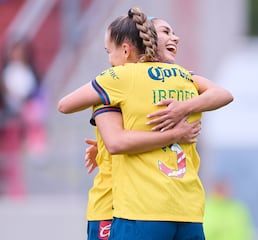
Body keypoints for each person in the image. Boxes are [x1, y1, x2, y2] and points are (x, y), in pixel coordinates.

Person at [58, 8, 233, 240]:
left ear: (127, 48)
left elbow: (115, 140)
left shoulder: (116, 81)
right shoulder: (187, 80)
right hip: (187, 209)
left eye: (109, 51)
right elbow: (224, 95)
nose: (175, 37)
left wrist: (177, 123)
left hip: (131, 209)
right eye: (165, 31)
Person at [0, 37, 47, 197]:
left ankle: (36, 146)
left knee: (33, 117)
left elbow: (37, 97)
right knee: (12, 155)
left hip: (26, 116)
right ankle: (15, 189)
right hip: (10, 119)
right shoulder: (6, 74)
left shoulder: (32, 74)